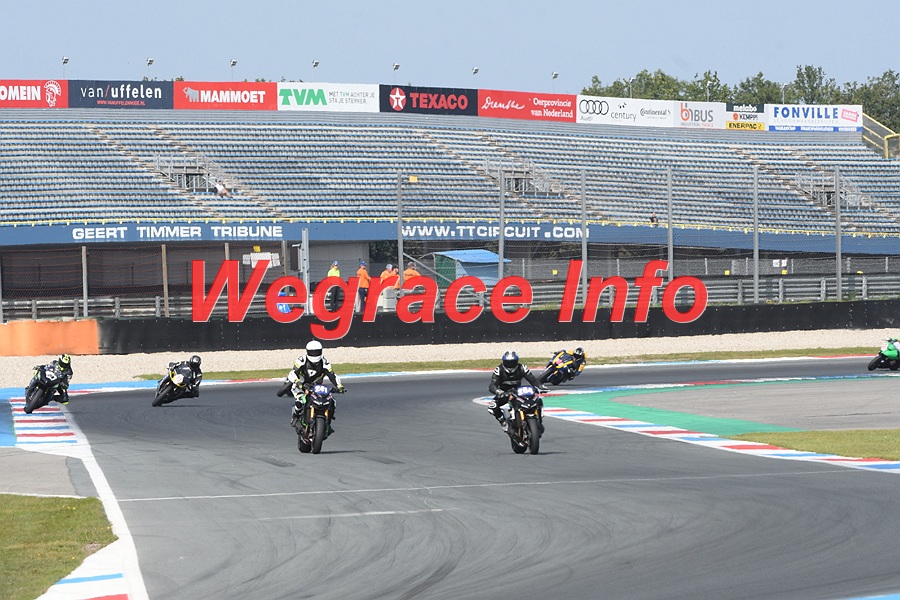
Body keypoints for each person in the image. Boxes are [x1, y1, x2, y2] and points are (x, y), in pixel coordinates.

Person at [289, 340, 346, 434]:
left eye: (317, 352)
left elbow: (332, 376)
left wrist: (339, 386)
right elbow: (292, 373)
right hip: (301, 385)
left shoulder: (324, 362)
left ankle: (328, 423)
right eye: (312, 352)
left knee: (332, 401)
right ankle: (295, 416)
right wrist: (297, 382)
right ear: (307, 352)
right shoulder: (301, 360)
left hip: (317, 386)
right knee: (299, 401)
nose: (315, 355)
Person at [487, 351, 547, 433]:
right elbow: (492, 385)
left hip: (518, 392)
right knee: (492, 407)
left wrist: (540, 386)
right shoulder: (499, 370)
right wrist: (499, 392)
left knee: (536, 400)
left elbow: (533, 380)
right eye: (508, 363)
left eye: (512, 362)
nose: (510, 365)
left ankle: (538, 421)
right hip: (504, 393)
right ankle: (503, 422)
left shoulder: (522, 368)